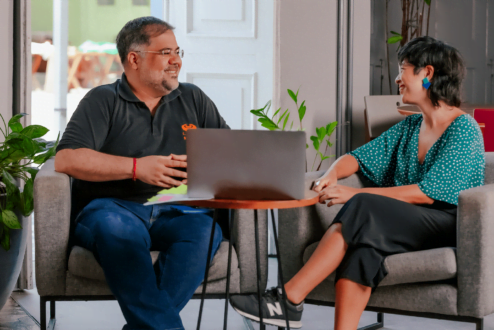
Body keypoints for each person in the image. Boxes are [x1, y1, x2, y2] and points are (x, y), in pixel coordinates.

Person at [230, 36, 485, 329]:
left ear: (427, 74)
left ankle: (289, 299)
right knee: (363, 253)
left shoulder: (463, 129)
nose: (397, 78)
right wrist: (331, 174)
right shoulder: (411, 126)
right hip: (407, 224)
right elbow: (357, 158)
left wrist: (352, 194)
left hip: (444, 224)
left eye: (403, 68)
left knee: (363, 201)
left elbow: (427, 194)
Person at [54, 17, 228, 330]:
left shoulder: (194, 98)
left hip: (180, 210)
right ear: (134, 58)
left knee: (206, 232)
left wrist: (201, 166)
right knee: (115, 231)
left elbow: (228, 153)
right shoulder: (102, 100)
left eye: (178, 52)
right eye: (165, 53)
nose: (176, 61)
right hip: (112, 208)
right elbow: (67, 159)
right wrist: (137, 168)